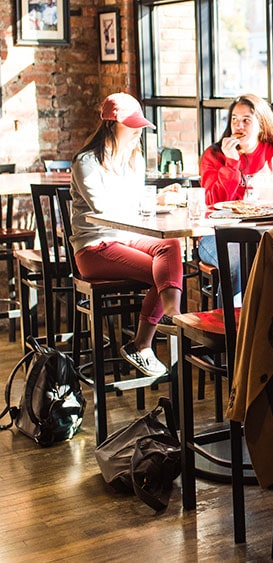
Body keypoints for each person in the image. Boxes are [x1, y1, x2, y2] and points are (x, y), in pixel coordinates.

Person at [69, 92, 184, 378]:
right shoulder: (87, 162)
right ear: (111, 125)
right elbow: (106, 210)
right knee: (165, 275)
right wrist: (145, 202)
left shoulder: (134, 160)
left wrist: (157, 198)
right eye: (131, 126)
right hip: (93, 247)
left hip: (124, 237)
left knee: (170, 246)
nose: (137, 132)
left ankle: (172, 315)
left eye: (139, 126)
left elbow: (135, 205)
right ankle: (144, 344)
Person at [198, 93, 273, 300]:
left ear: (262, 124)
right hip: (217, 236)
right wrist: (231, 164)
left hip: (266, 237)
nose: (238, 126)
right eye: (234, 119)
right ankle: (228, 328)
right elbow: (212, 203)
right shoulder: (214, 156)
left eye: (246, 120)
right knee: (237, 261)